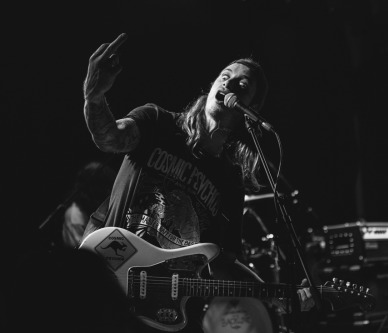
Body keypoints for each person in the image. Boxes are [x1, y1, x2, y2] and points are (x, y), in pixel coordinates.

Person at [81, 33, 314, 333]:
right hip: (111, 271)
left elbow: (223, 263)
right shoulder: (158, 123)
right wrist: (94, 97)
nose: (228, 84)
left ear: (250, 110)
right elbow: (109, 137)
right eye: (225, 76)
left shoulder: (230, 181)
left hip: (160, 310)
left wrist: (277, 295)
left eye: (241, 85)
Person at [61, 160, 117, 248]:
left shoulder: (98, 206)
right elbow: (83, 251)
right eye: (105, 187)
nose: (108, 191)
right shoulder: (75, 215)